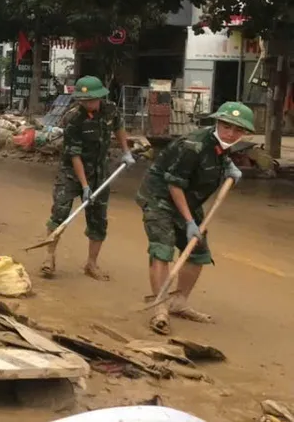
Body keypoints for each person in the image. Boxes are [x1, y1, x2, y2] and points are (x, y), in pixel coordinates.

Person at [137, 100, 252, 335]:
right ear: (218, 123)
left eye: (238, 129)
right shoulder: (194, 145)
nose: (231, 133)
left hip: (188, 200)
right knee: (162, 249)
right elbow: (174, 184)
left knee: (198, 252)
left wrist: (228, 166)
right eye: (227, 126)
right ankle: (159, 309)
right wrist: (189, 221)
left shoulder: (221, 145)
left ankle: (179, 302)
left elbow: (217, 157)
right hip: (160, 197)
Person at [41, 76, 134, 281]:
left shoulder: (110, 110)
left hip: (100, 172)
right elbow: (74, 155)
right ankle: (49, 257)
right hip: (71, 172)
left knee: (98, 219)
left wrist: (126, 151)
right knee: (59, 213)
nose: (87, 104)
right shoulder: (73, 118)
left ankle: (91, 264)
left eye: (91, 100)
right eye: (83, 100)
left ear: (100, 97)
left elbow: (119, 127)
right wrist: (84, 186)